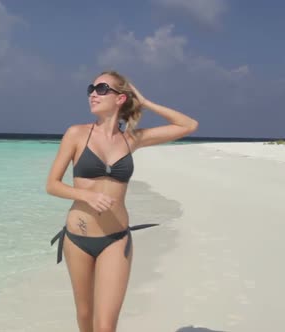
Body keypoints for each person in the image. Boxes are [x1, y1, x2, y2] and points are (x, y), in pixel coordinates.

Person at [45, 70, 198, 332]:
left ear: (120, 98)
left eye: (102, 89)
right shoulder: (77, 134)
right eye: (91, 88)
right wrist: (86, 195)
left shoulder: (132, 139)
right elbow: (52, 185)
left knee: (105, 327)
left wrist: (145, 102)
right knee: (85, 315)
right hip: (77, 239)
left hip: (116, 240)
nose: (93, 93)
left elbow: (188, 126)